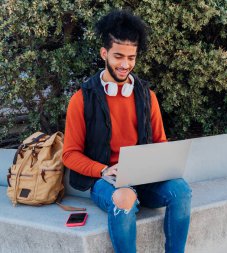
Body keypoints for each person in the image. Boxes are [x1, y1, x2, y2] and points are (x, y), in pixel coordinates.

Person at [62, 10, 192, 253]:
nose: (125, 65)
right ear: (104, 53)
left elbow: (160, 141)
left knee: (182, 190)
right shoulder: (81, 99)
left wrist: (163, 162)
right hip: (105, 180)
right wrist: (103, 170)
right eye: (118, 56)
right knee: (124, 198)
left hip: (144, 178)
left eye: (131, 58)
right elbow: (69, 154)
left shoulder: (147, 96)